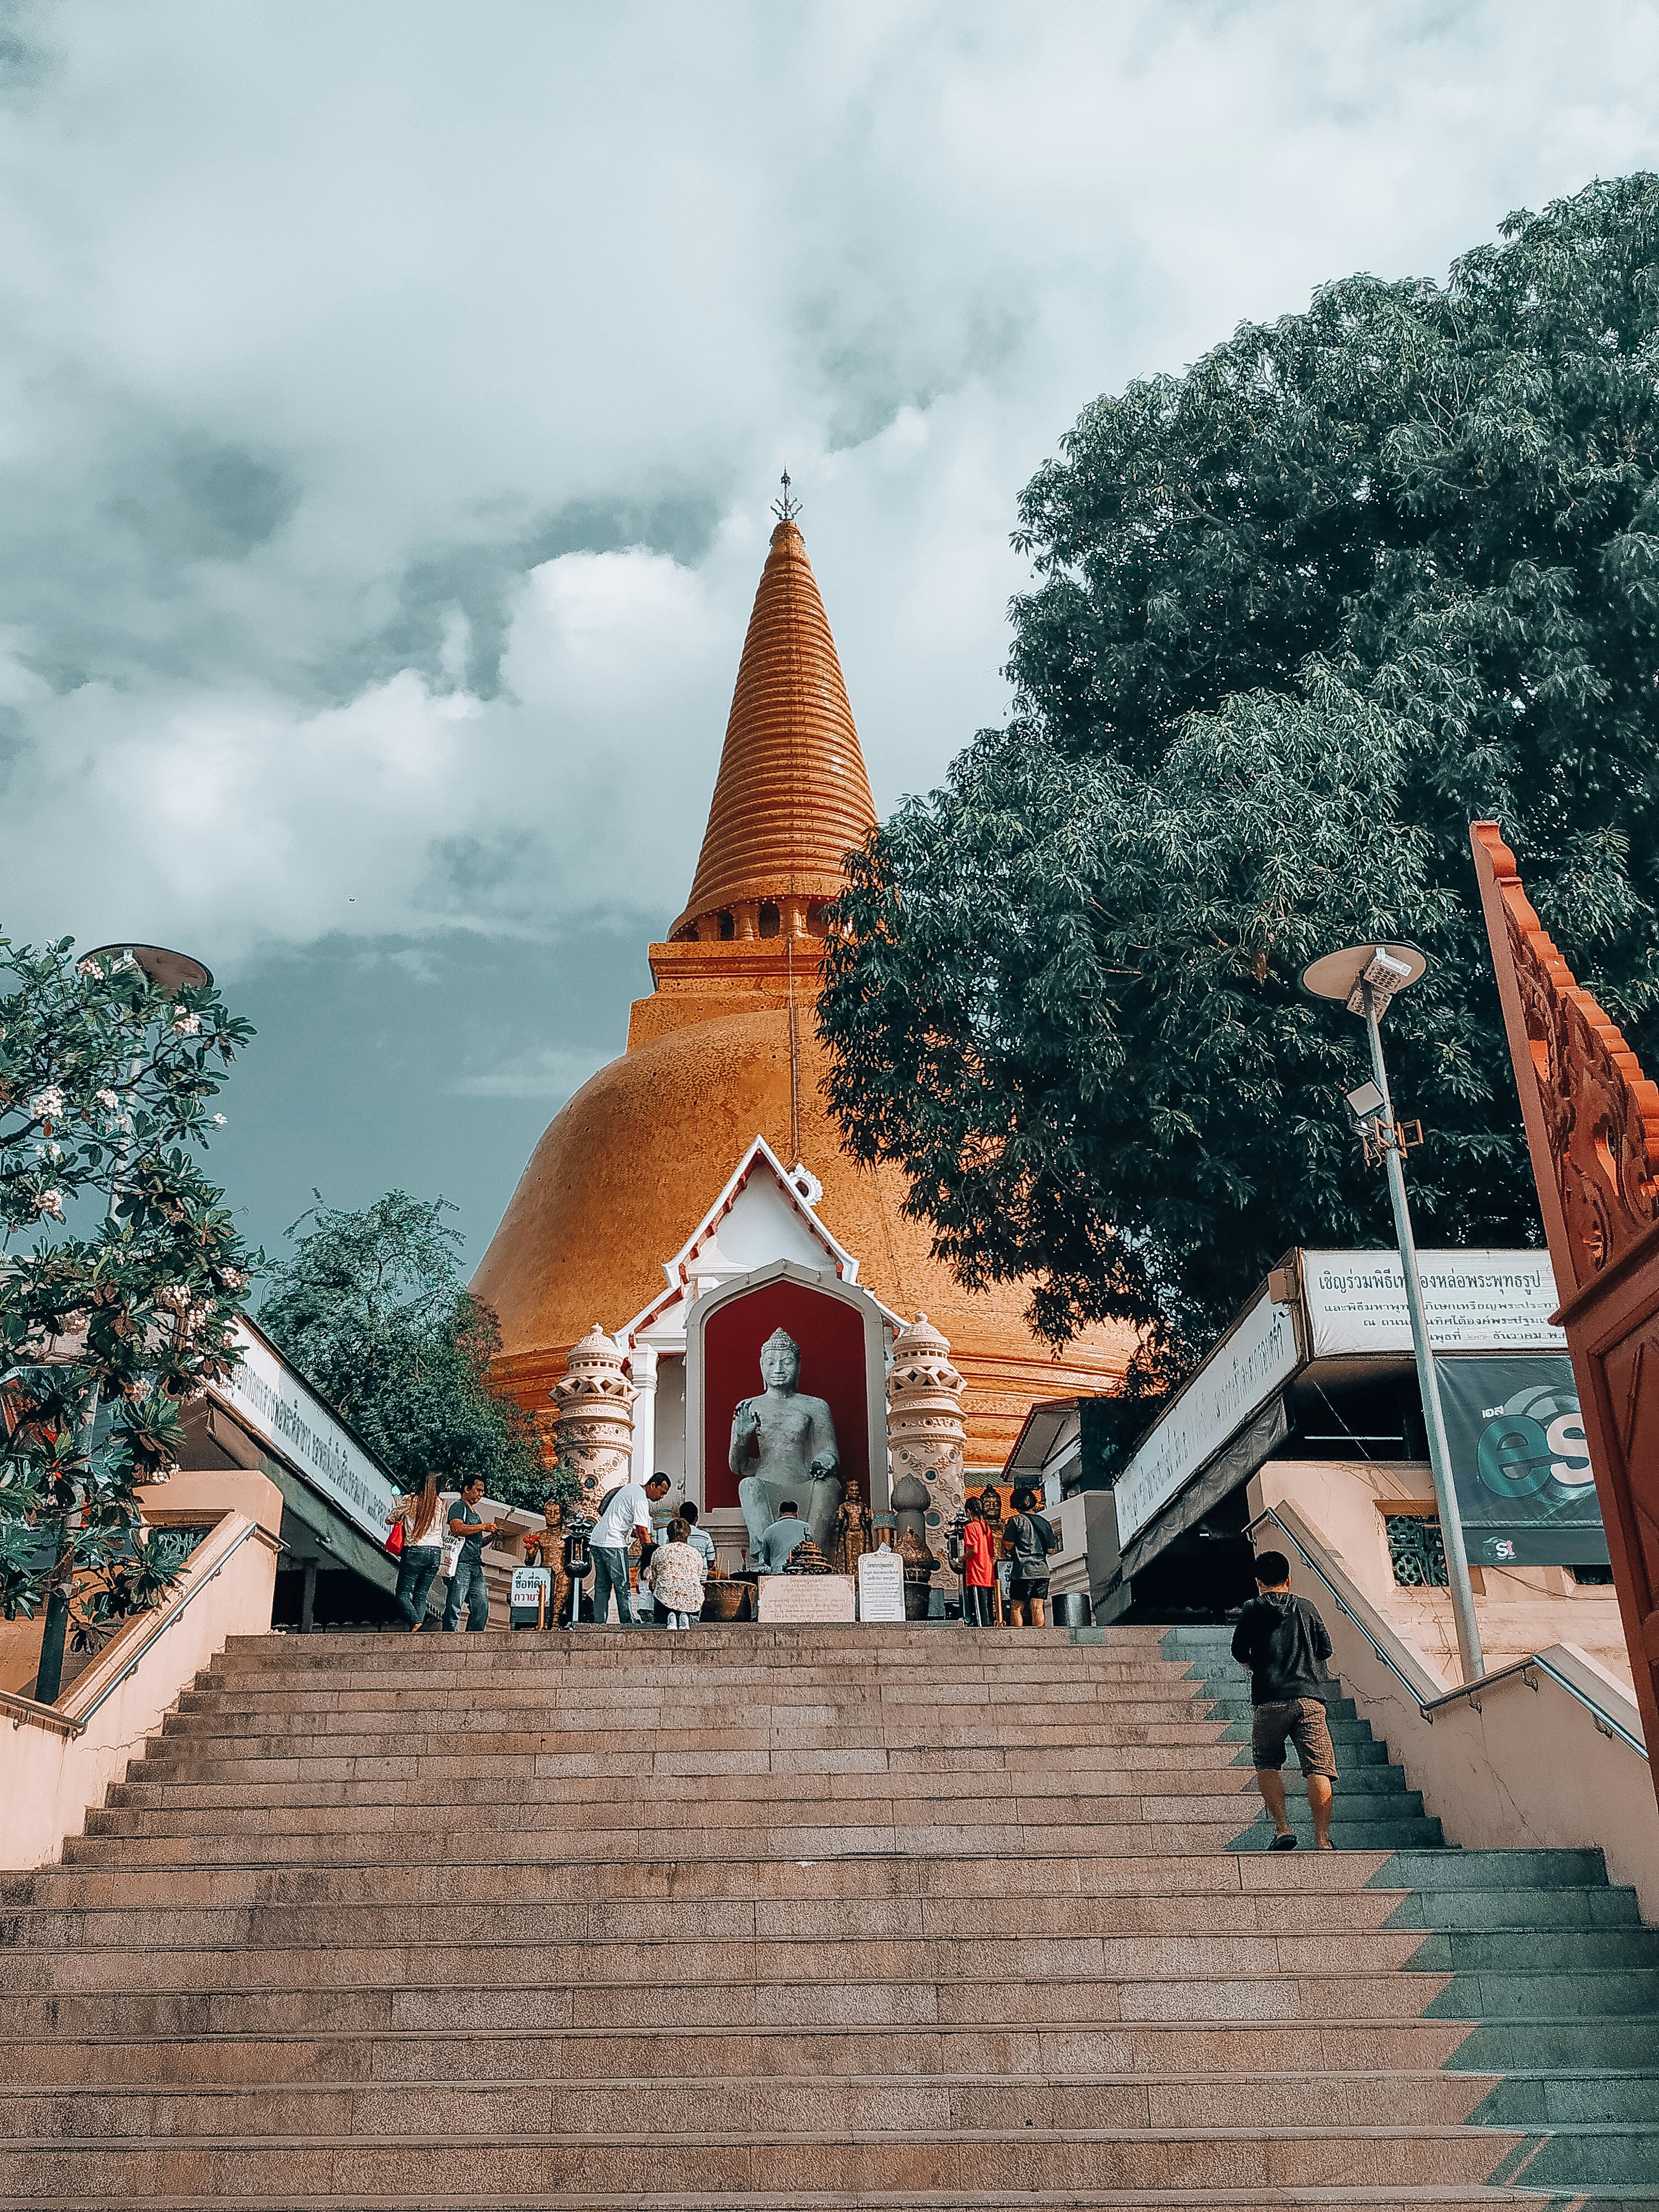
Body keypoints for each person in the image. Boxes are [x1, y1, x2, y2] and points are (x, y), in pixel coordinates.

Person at [1230, 1550, 1338, 1851]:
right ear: (1289, 1580)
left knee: (1267, 1763)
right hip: (1309, 1699)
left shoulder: (1253, 1607)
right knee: (1319, 1768)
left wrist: (1255, 1666)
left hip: (1269, 1699)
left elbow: (1239, 1649)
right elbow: (1326, 1649)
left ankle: (1282, 1830)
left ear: (1258, 1581)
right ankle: (1322, 1839)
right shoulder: (1306, 1607)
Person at [589, 1472, 671, 1625]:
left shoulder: (631, 1488)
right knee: (623, 1585)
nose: (661, 1497)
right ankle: (628, 1621)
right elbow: (642, 1531)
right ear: (653, 1485)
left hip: (597, 1539)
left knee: (602, 1585)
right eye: (661, 1492)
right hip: (613, 1542)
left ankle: (599, 1622)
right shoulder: (641, 1499)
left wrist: (632, 1530)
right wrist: (653, 1551)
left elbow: (622, 1516)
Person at [442, 1476, 505, 1632]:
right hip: (461, 1563)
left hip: (475, 1565)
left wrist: (492, 1536)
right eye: (478, 1490)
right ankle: (448, 1633)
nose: (481, 1494)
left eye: (483, 1491)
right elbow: (456, 1529)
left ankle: (474, 1636)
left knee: (481, 1606)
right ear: (467, 1489)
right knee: (455, 1603)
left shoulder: (474, 1512)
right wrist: (483, 1526)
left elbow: (478, 1543)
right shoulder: (458, 1506)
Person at [387, 1473, 447, 1631]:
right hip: (435, 1553)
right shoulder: (442, 1503)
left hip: (415, 1550)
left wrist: (402, 1518)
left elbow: (390, 1519)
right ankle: (418, 1629)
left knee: (403, 1594)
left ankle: (415, 1621)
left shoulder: (410, 1500)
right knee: (421, 1595)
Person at [1004, 1486, 1060, 1627]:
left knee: (1017, 1607)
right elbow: (1051, 1549)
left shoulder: (1016, 1521)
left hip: (1022, 1571)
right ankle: (1040, 1635)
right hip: (1042, 1571)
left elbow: (1008, 1544)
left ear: (1016, 1504)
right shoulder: (1044, 1523)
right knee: (1038, 1606)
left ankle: (1018, 1637)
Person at [647, 1516, 707, 1629]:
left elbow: (655, 1579)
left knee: (658, 1590)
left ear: (668, 1534)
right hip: (691, 1601)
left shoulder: (659, 1552)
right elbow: (698, 1577)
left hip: (665, 1600)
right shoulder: (696, 1554)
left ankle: (670, 1616)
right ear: (687, 1534)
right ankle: (686, 1617)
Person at [521, 1496, 570, 1630]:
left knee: (565, 1580)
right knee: (540, 1583)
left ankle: (555, 1619)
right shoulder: (539, 1535)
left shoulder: (567, 1536)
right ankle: (540, 1620)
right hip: (544, 1572)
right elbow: (529, 1562)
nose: (552, 1516)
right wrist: (531, 1550)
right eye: (549, 1513)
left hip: (562, 1572)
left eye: (556, 1513)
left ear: (562, 1514)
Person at [961, 1497, 995, 1627]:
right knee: (987, 1607)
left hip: (976, 1571)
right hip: (988, 1570)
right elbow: (991, 1552)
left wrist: (961, 1558)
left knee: (979, 1609)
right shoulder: (987, 1528)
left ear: (969, 1512)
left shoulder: (970, 1527)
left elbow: (974, 1550)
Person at [756, 1499, 809, 1574]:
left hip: (778, 1573)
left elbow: (766, 1558)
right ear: (796, 1513)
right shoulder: (806, 1528)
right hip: (801, 1573)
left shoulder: (769, 1530)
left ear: (780, 1513)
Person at [680, 1498, 716, 1572]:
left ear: (680, 1519)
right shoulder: (705, 1536)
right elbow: (710, 1562)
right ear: (696, 1519)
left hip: (681, 1579)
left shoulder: (674, 1536)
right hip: (701, 1578)